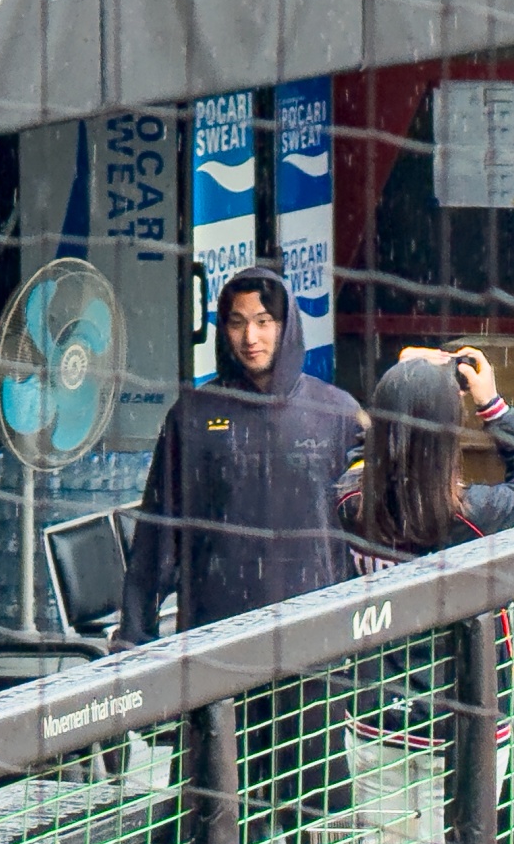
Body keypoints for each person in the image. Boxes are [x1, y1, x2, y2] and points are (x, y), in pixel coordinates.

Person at [330, 347, 514, 844]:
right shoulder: (472, 515)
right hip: (462, 725)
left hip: (375, 718)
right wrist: (492, 404)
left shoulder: (349, 501)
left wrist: (407, 384)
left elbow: (363, 454)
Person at [118, 264, 365, 641]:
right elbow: (156, 535)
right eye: (237, 323)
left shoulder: (336, 413)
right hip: (216, 636)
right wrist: (134, 636)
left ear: (286, 326)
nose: (250, 337)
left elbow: (371, 532)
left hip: (317, 635)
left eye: (264, 321)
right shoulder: (193, 416)